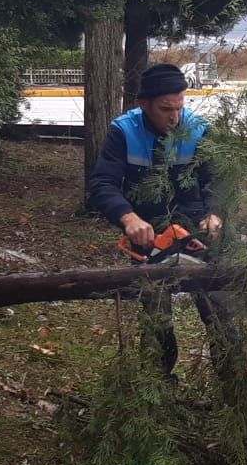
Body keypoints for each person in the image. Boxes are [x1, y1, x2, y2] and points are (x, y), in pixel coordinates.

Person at [86, 63, 226, 375]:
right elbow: (102, 184)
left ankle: (234, 387)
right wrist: (128, 218)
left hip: (196, 234)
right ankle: (158, 383)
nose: (174, 117)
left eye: (179, 107)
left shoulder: (199, 129)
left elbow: (218, 181)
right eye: (165, 109)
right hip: (149, 237)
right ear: (143, 104)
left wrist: (214, 212)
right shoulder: (123, 131)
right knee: (156, 317)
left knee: (219, 311)